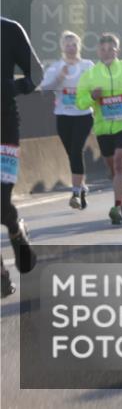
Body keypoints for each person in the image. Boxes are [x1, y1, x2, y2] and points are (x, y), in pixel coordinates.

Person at [76, 33, 122, 226]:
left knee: (118, 164)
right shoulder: (91, 75)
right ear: (98, 51)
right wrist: (92, 96)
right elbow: (80, 101)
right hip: (103, 128)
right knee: (112, 170)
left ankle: (117, 207)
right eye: (103, 49)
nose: (107, 52)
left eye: (111, 49)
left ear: (117, 50)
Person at [1, 17, 42, 297]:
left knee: (1, 200)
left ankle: (16, 230)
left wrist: (10, 88)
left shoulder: (9, 30)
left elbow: (36, 75)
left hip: (3, 126)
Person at [39, 31, 94, 209]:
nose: (71, 48)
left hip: (84, 115)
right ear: (62, 47)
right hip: (63, 116)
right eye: (67, 44)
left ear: (79, 46)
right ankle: (82, 186)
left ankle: (76, 192)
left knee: (76, 150)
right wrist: (59, 78)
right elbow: (45, 90)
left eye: (74, 44)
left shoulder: (87, 65)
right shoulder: (56, 67)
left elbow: (96, 85)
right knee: (72, 153)